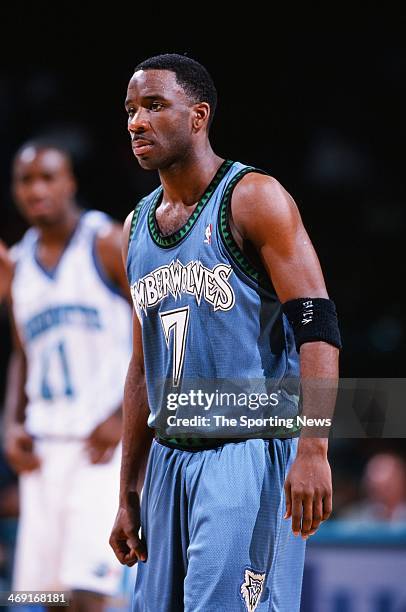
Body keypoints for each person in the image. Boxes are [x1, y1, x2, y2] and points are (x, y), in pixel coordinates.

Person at [109, 53, 341, 612]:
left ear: (199, 116)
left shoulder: (253, 197)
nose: (137, 121)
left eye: (155, 105)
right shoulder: (135, 227)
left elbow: (318, 326)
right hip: (168, 459)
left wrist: (313, 449)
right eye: (131, 110)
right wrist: (127, 490)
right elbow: (143, 368)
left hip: (245, 453)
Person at [1, 139, 132, 612]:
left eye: (47, 177)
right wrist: (10, 423)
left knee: (89, 592)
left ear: (70, 182)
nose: (37, 189)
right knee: (48, 596)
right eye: (25, 180)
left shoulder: (107, 243)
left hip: (100, 444)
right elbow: (22, 353)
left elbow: (156, 333)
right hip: (43, 447)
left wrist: (123, 413)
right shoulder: (15, 265)